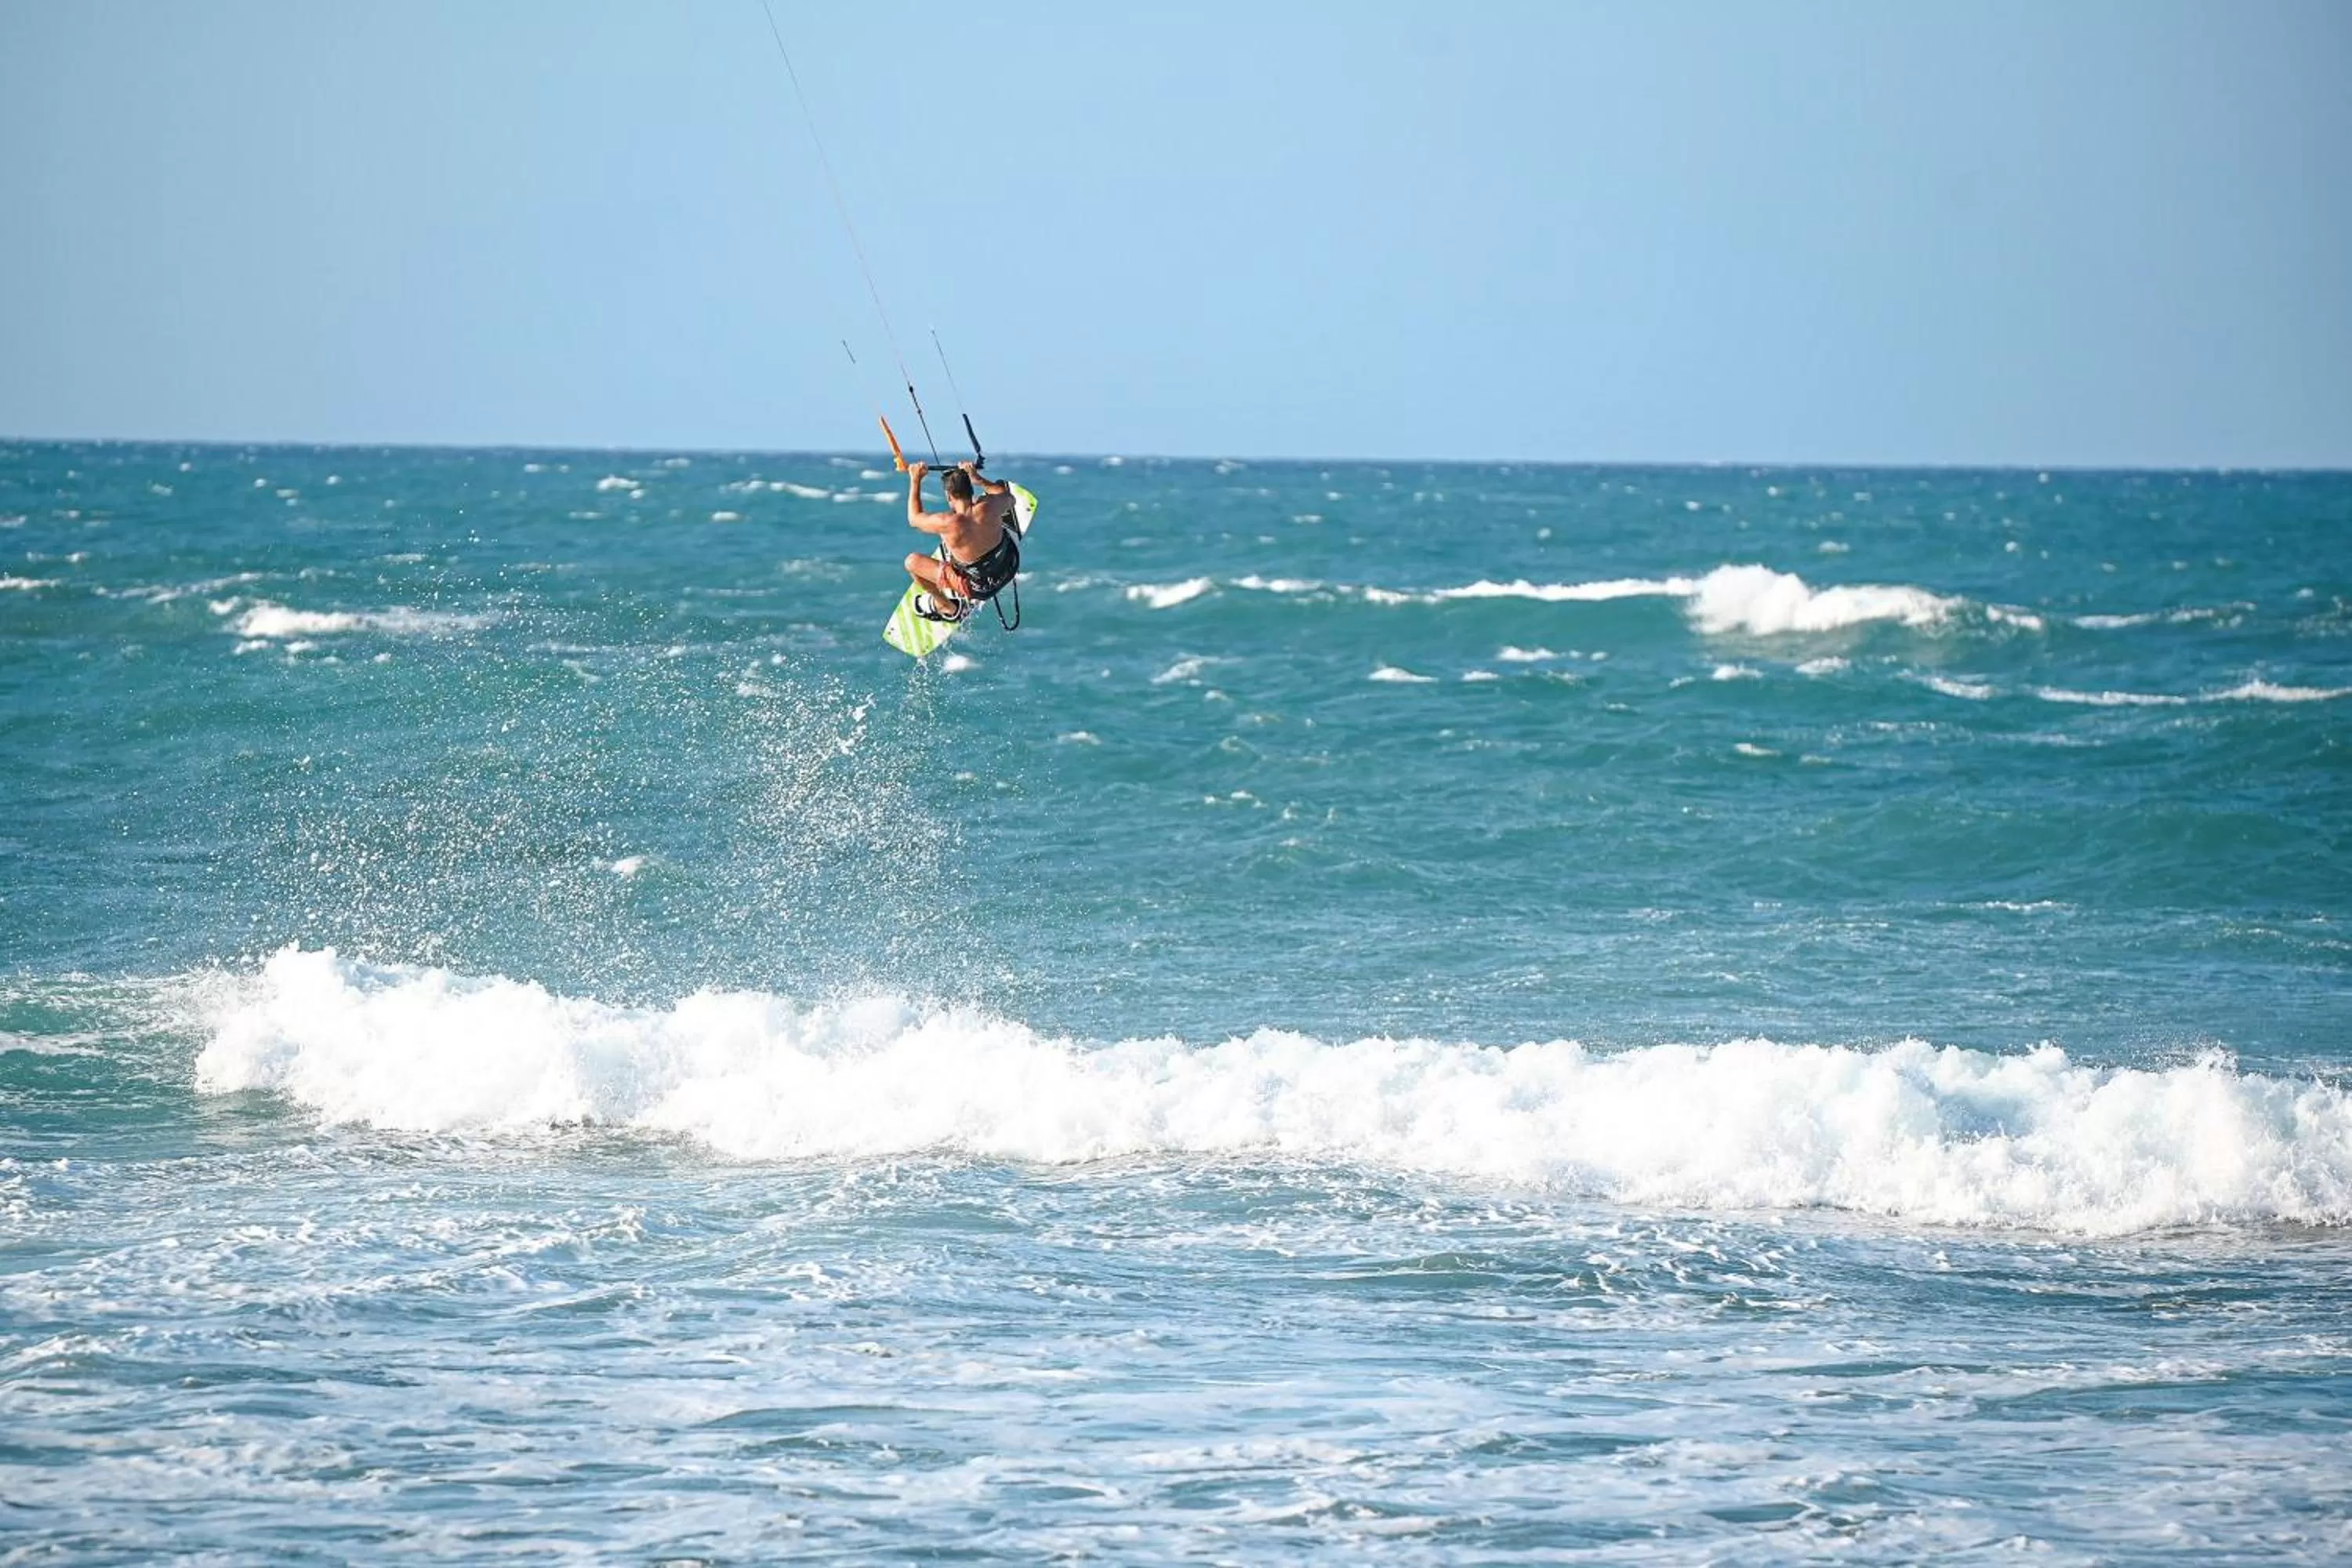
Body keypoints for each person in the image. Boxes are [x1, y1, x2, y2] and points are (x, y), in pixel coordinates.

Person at [902, 459, 1020, 623]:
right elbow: (1009, 497)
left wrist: (915, 480)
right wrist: (978, 478)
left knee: (912, 563)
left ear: (949, 496)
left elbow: (914, 519)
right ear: (971, 489)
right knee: (998, 492)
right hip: (1009, 567)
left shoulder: (947, 523)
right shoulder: (989, 506)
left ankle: (946, 606)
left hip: (978, 589)